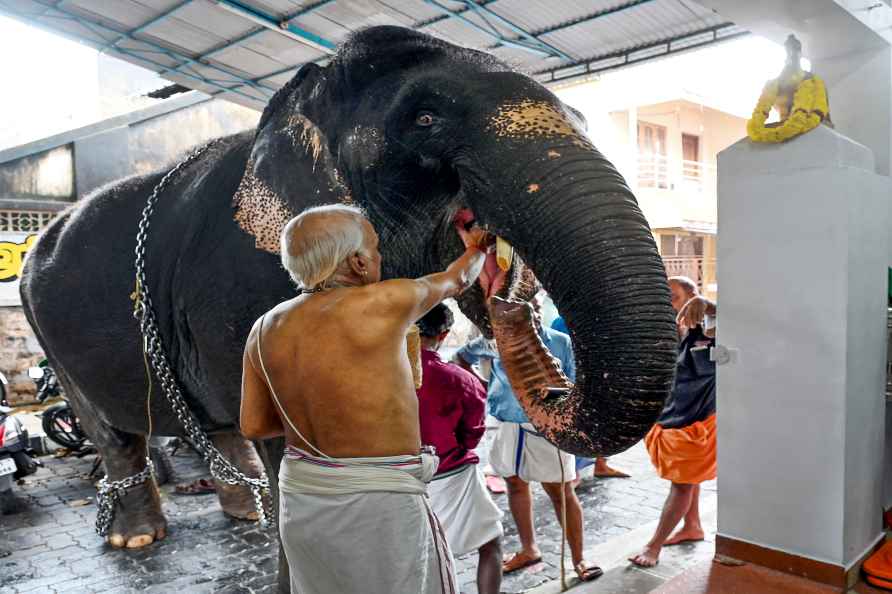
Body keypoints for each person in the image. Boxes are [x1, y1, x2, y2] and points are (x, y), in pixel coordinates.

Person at [240, 204, 493, 594]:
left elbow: (254, 425)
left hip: (303, 498)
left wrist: (327, 419)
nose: (379, 257)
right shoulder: (383, 301)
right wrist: (477, 247)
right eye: (375, 249)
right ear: (358, 262)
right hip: (377, 501)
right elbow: (455, 280)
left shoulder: (264, 327)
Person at [456, 294, 603, 583]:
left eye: (533, 309)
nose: (527, 316)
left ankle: (579, 559)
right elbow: (462, 357)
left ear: (538, 311)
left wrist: (544, 398)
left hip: (547, 428)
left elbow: (575, 388)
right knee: (514, 483)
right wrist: (487, 388)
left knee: (561, 492)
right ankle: (529, 549)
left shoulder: (560, 342)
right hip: (507, 424)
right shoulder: (494, 340)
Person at [629, 276, 717, 568]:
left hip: (695, 425)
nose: (668, 303)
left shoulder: (710, 329)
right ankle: (692, 526)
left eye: (675, 297)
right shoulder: (662, 331)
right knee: (688, 481)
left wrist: (708, 307)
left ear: (692, 298)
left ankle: (653, 547)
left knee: (681, 486)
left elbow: (743, 322)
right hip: (666, 420)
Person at [416, 303, 503, 594]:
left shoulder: (381, 375)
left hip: (401, 478)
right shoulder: (460, 380)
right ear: (444, 335)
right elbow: (472, 434)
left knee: (421, 558)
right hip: (453, 475)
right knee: (490, 543)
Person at [550, 315, 630, 482]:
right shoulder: (562, 321)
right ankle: (574, 472)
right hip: (578, 379)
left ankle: (600, 465)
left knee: (605, 424)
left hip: (602, 377)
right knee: (580, 425)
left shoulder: (602, 316)